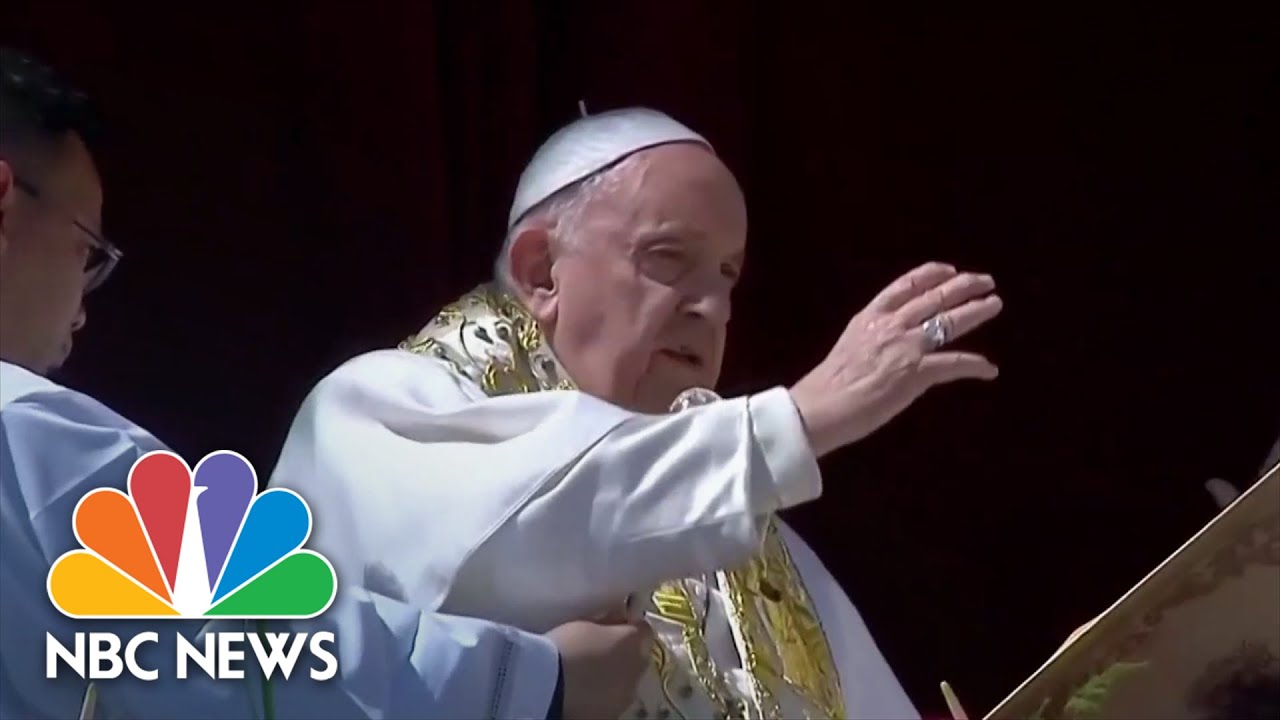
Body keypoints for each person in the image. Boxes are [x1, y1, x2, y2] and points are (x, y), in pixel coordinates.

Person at [270, 107, 1003, 719]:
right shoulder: (375, 413)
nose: (712, 308)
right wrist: (800, 420)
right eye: (668, 259)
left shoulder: (751, 538)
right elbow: (523, 532)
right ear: (540, 271)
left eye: (727, 276)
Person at [0, 46, 647, 720]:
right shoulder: (30, 436)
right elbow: (258, 646)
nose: (82, 304)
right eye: (86, 252)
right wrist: (539, 682)